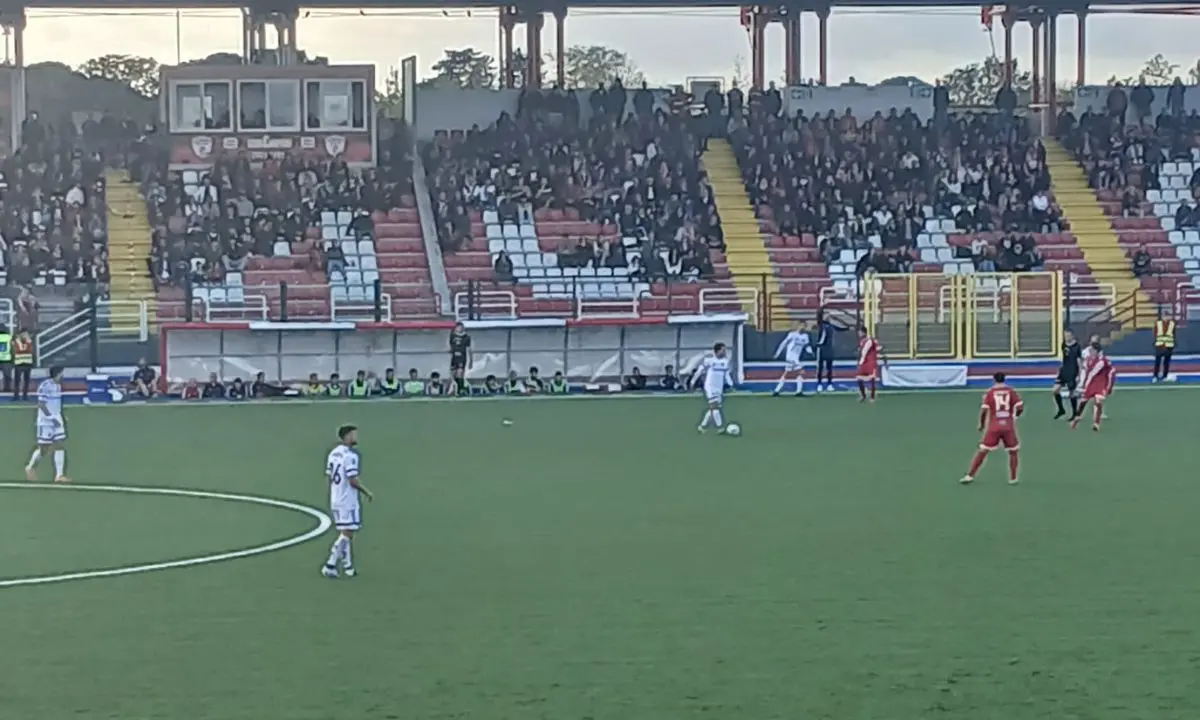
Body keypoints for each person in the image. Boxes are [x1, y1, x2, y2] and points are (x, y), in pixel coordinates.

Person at [322, 424, 373, 579]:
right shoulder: (351, 456)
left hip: (336, 498)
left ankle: (348, 567)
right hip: (347, 500)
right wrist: (366, 492)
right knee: (347, 533)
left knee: (345, 532)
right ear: (347, 436)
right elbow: (352, 480)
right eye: (353, 434)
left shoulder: (333, 453)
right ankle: (330, 564)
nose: (356, 437)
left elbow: (329, 477)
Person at [960, 372, 1023, 486]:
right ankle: (1013, 478)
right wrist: (1015, 416)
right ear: (1004, 379)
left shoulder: (989, 393)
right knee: (1013, 451)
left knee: (983, 450)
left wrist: (981, 424)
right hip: (1008, 426)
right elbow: (1020, 407)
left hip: (994, 426)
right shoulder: (1011, 391)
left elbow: (984, 410)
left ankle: (970, 475)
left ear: (994, 380)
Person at [24, 365, 70, 484]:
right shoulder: (45, 386)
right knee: (44, 449)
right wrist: (51, 418)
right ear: (57, 374)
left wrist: (62, 416)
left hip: (57, 420)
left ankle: (59, 475)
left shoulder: (58, 386)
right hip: (46, 422)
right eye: (62, 373)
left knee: (59, 445)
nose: (63, 376)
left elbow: (57, 403)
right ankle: (30, 467)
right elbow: (41, 404)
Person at [1071, 341, 1115, 432]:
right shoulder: (1088, 360)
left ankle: (1096, 423)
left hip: (1100, 384)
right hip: (1091, 383)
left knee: (1098, 402)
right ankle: (1076, 419)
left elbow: (1094, 373)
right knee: (1083, 402)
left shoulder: (1102, 361)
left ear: (1096, 351)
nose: (1090, 351)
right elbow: (1085, 372)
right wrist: (1082, 383)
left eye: (1092, 350)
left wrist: (1109, 386)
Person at [694, 342, 733, 434]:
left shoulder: (725, 362)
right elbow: (700, 370)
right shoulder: (709, 360)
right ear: (717, 351)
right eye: (723, 350)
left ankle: (702, 427)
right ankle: (720, 428)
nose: (724, 352)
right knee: (714, 407)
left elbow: (726, 374)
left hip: (719, 388)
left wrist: (731, 384)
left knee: (713, 408)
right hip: (710, 386)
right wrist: (693, 381)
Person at [772, 322, 812, 396]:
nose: (803, 327)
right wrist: (777, 353)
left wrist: (811, 351)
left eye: (804, 326)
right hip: (790, 356)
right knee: (801, 371)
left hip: (796, 357)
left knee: (787, 373)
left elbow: (807, 346)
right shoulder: (792, 334)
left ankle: (776, 391)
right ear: (798, 326)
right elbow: (783, 343)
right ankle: (799, 391)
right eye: (802, 325)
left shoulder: (805, 336)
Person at [813, 310, 847, 393]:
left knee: (829, 368)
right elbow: (819, 315)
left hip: (829, 349)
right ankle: (819, 384)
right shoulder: (821, 324)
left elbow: (843, 328)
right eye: (826, 315)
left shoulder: (831, 325)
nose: (828, 317)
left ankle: (829, 384)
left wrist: (837, 319)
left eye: (828, 315)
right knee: (820, 367)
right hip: (821, 348)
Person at [1052, 329, 1083, 419]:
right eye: (1065, 335)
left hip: (1072, 372)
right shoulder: (1064, 344)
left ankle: (1074, 413)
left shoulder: (1077, 347)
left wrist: (1079, 375)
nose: (1066, 337)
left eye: (1068, 335)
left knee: (1072, 393)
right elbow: (1065, 358)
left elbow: (1079, 362)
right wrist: (1060, 369)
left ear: (1072, 336)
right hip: (1064, 371)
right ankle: (1061, 410)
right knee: (1055, 390)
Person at [856, 326, 883, 403]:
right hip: (863, 362)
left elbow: (877, 348)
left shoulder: (870, 340)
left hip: (871, 362)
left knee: (872, 379)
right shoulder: (861, 341)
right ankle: (863, 395)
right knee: (859, 379)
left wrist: (879, 349)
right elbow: (861, 351)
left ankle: (872, 397)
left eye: (860, 332)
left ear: (864, 332)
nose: (859, 333)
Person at [448, 322, 472, 396]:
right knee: (453, 375)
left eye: (460, 327)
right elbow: (451, 345)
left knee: (460, 373)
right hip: (454, 358)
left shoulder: (466, 337)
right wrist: (450, 350)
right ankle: (455, 389)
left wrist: (471, 361)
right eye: (457, 327)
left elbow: (469, 349)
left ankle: (460, 390)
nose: (459, 329)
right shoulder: (452, 335)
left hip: (462, 358)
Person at [11, 329, 34, 400]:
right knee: (17, 381)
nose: (25, 335)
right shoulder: (16, 341)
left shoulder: (29, 341)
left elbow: (30, 351)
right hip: (19, 364)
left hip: (28, 363)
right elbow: (17, 350)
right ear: (20, 334)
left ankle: (25, 396)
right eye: (24, 334)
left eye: (26, 334)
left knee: (26, 381)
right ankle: (16, 396)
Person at [1152, 316, 1176, 382]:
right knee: (1157, 362)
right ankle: (1155, 376)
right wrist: (1156, 342)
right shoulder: (1158, 323)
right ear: (1162, 317)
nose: (1166, 318)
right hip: (1160, 345)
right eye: (1165, 316)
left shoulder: (1172, 323)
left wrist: (1173, 343)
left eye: (1167, 316)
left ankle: (1164, 376)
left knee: (1166, 362)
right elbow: (1155, 333)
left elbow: (1173, 334)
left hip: (1169, 345)